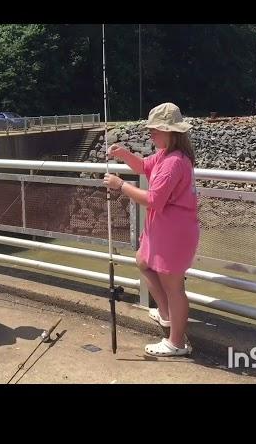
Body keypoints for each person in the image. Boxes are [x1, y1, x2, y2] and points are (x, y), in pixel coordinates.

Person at [104, 102, 199, 357]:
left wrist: (120, 185)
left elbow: (154, 200)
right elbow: (144, 166)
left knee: (174, 287)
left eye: (156, 130)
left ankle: (177, 342)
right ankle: (167, 315)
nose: (151, 134)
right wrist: (123, 154)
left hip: (174, 233)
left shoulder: (174, 162)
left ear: (172, 132)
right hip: (164, 230)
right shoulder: (165, 155)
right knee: (142, 260)